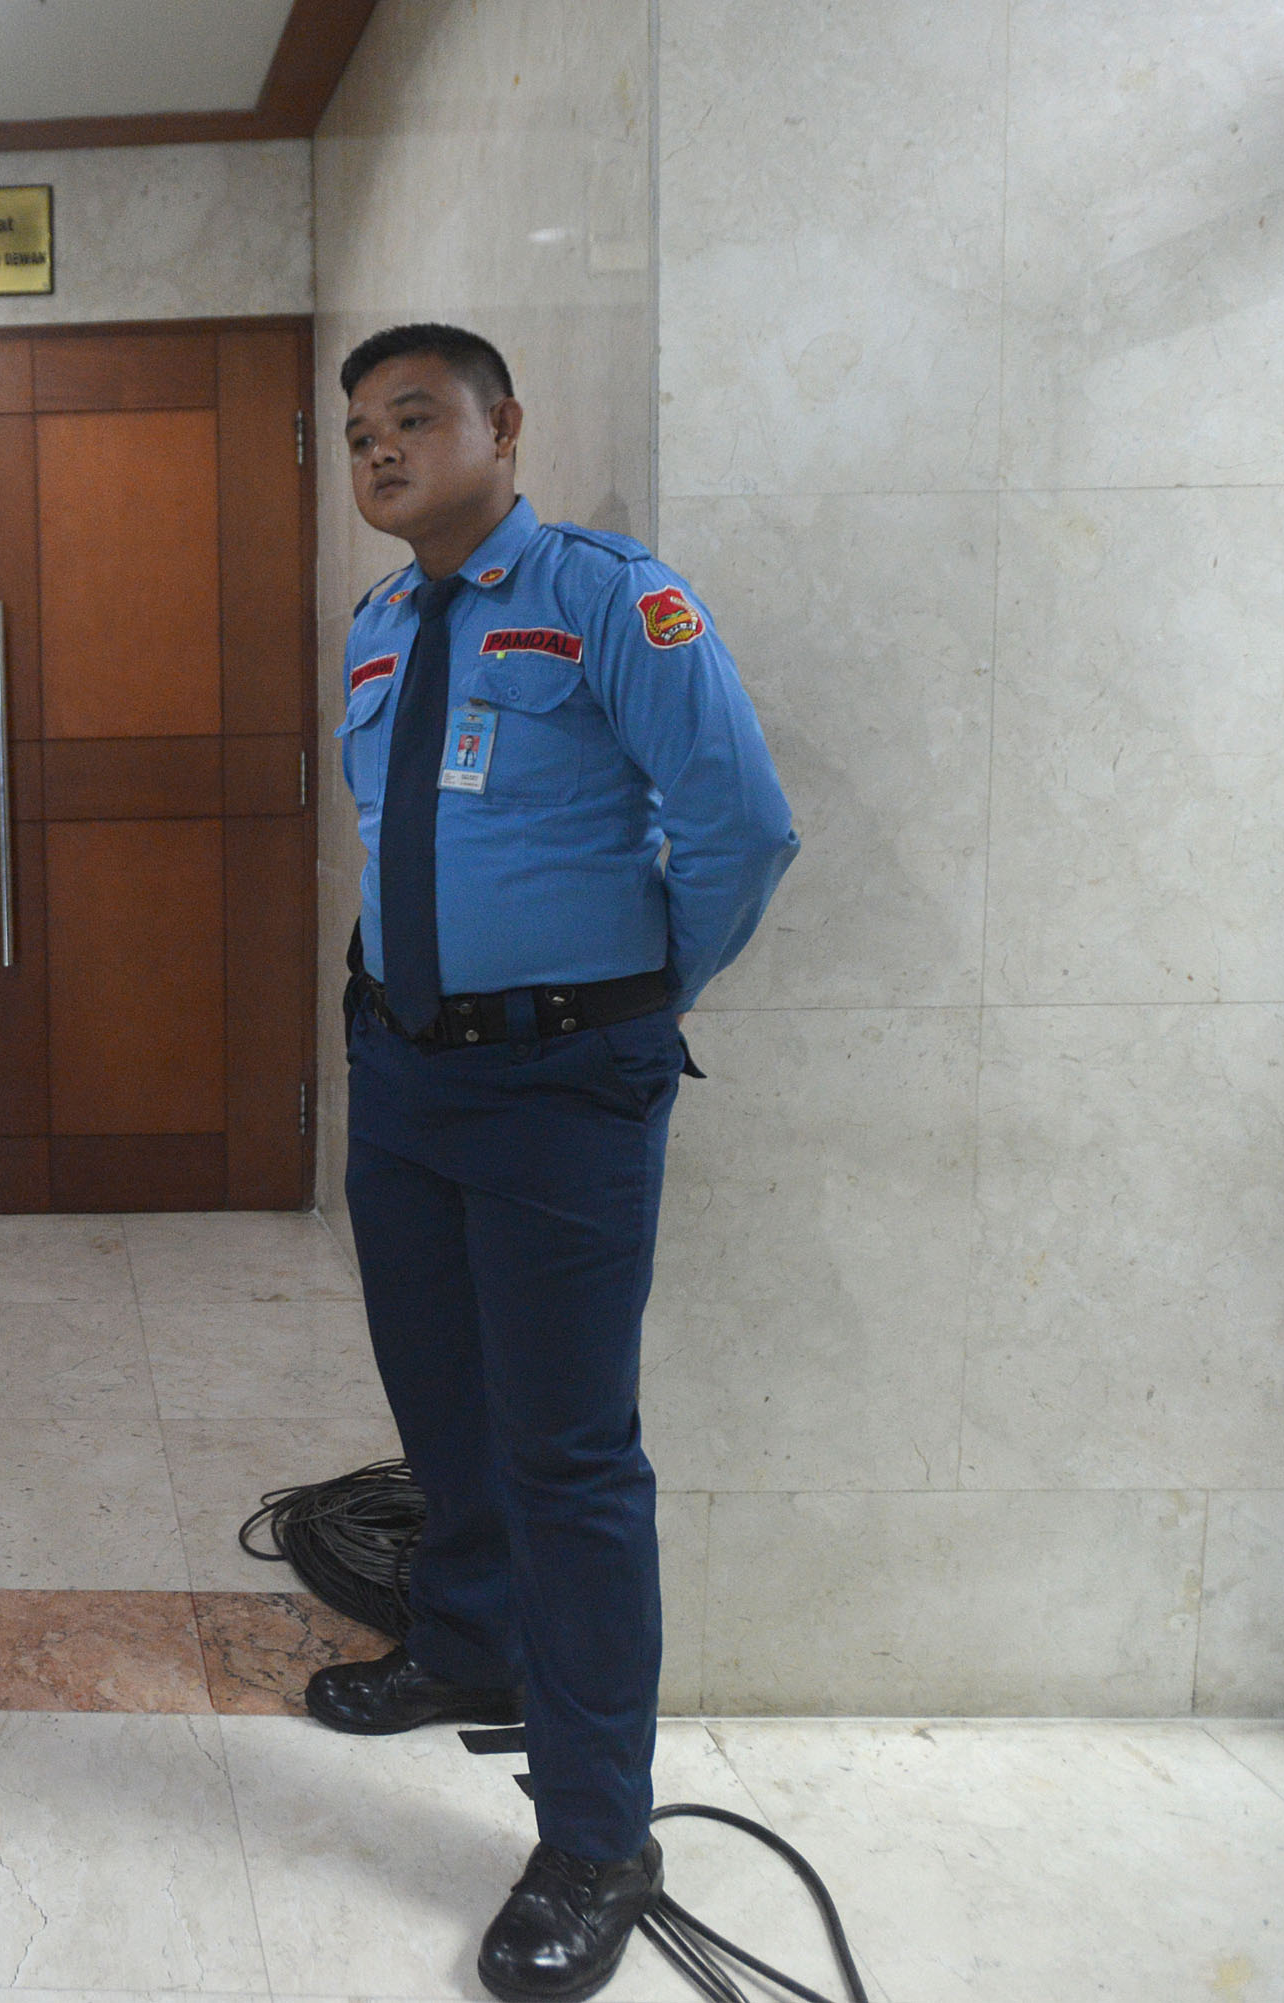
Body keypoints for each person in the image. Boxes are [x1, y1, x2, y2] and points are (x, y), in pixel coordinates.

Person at [309, 324, 796, 1999]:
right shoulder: (380, 627)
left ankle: (598, 1833)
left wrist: (628, 998)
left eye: (415, 418)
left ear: (504, 426)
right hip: (405, 1079)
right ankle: (462, 1644)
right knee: (444, 1407)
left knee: (573, 1458)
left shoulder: (606, 595)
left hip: (562, 1088)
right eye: (361, 431)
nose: (380, 451)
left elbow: (741, 826)